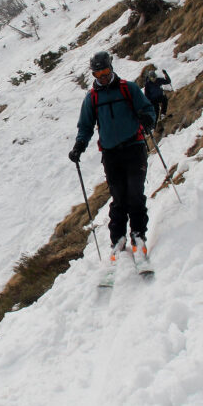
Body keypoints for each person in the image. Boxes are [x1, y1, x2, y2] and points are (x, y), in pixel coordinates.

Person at [68, 51, 156, 263]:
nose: (103, 77)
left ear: (111, 68)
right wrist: (79, 145)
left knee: (135, 192)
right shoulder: (92, 98)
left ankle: (138, 234)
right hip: (111, 154)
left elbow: (147, 108)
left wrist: (147, 120)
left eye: (106, 72)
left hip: (134, 148)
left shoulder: (129, 88)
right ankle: (118, 238)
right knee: (118, 197)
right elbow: (86, 126)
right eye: (98, 74)